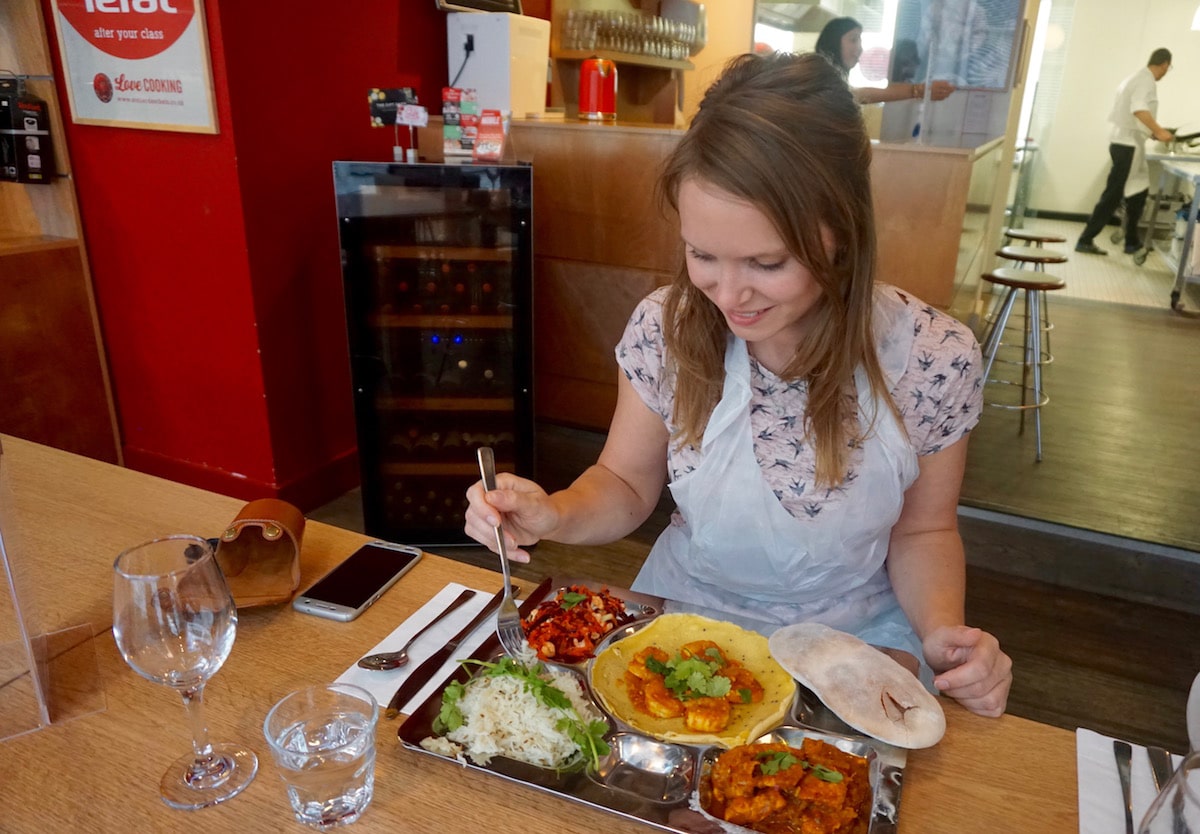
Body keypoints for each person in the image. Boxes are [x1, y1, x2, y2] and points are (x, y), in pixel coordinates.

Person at [464, 52, 1011, 718]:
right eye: (703, 255)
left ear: (844, 232)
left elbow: (923, 533)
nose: (730, 294)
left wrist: (943, 638)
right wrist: (555, 513)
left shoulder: (932, 356)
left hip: (851, 636)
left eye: (767, 262)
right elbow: (627, 484)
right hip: (690, 616)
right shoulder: (665, 330)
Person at [1075, 48, 1174, 256]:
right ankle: (1085, 239)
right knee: (1113, 195)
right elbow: (1138, 109)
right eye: (1169, 67)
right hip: (1127, 146)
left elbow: (1135, 115)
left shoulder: (1136, 78)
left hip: (1128, 142)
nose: (1167, 71)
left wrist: (1152, 132)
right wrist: (1159, 131)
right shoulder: (1145, 81)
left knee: (1139, 192)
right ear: (1164, 64)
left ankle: (1131, 241)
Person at [814, 17, 955, 105]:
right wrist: (918, 90)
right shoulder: (815, 75)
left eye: (860, 40)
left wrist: (920, 91)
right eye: (853, 40)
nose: (860, 49)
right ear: (833, 42)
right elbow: (856, 95)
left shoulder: (834, 82)